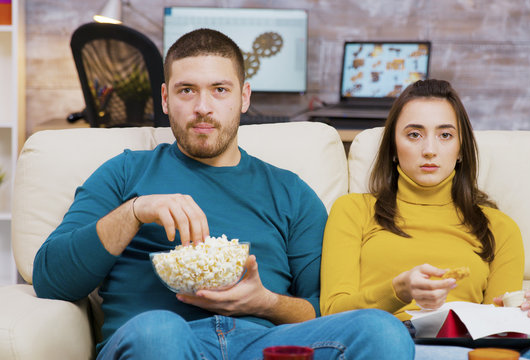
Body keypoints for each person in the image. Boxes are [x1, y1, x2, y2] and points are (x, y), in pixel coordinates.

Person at [32, 29, 414, 360]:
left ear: (243, 97)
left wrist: (267, 303)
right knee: (159, 331)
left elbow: (324, 309)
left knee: (380, 330)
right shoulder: (125, 172)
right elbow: (51, 279)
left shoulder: (290, 192)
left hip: (264, 343)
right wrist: (134, 212)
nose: (203, 108)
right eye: (187, 91)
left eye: (219, 90)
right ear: (165, 99)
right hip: (159, 341)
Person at [319, 79, 530, 359]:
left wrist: (523, 316)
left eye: (445, 135)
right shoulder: (353, 211)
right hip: (396, 347)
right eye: (414, 134)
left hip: (476, 352)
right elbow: (333, 314)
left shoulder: (498, 227)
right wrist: (398, 290)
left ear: (461, 148)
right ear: (394, 150)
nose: (429, 150)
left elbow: (500, 329)